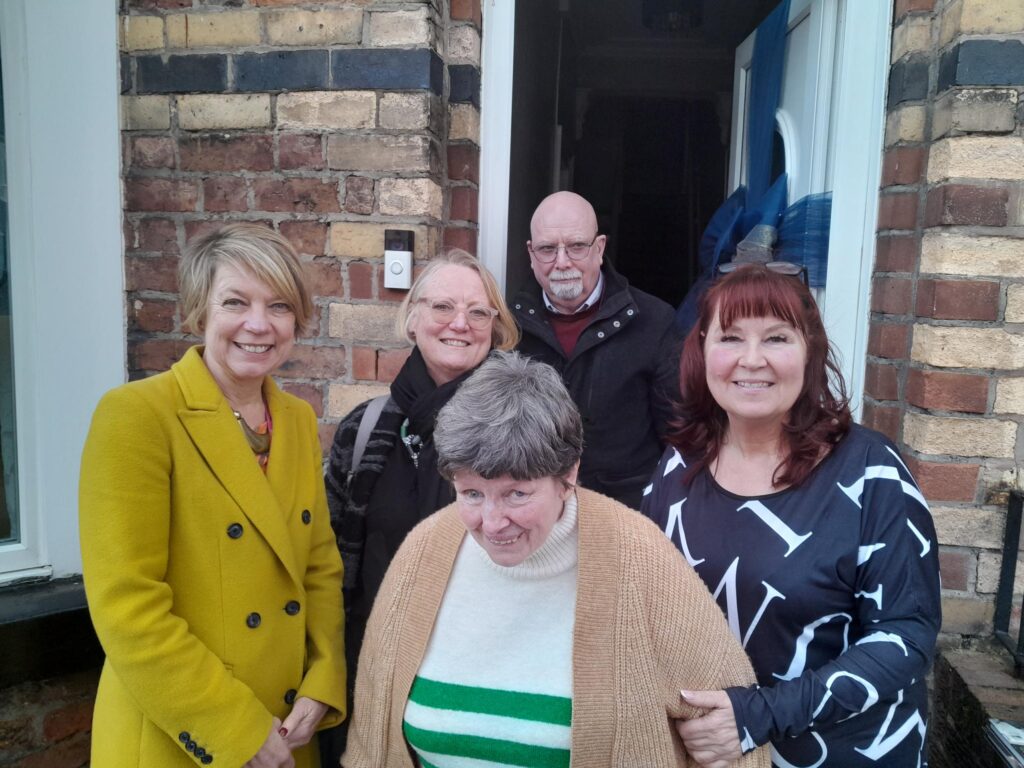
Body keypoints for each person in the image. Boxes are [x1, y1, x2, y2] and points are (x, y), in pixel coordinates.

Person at [342, 351, 770, 768]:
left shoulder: (640, 558)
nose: (491, 523)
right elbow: (370, 741)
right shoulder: (424, 551)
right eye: (472, 494)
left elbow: (731, 732)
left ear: (568, 476)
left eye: (516, 494)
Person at [641, 264, 941, 767]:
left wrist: (759, 714)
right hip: (708, 755)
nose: (751, 360)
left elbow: (905, 635)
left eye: (776, 337)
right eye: (731, 337)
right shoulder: (678, 467)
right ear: (702, 351)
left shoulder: (871, 473)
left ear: (810, 353)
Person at [79, 223, 346, 768]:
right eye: (235, 302)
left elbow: (318, 565)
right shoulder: (137, 415)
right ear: (199, 312)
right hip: (184, 735)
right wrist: (235, 728)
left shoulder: (296, 419)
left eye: (279, 306)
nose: (258, 324)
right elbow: (128, 608)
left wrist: (324, 680)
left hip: (287, 727)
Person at [322, 249, 519, 764]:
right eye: (442, 307)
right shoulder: (363, 431)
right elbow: (329, 564)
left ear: (495, 328)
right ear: (411, 318)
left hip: (482, 682)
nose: (461, 323)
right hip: (373, 672)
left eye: (479, 312)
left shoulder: (525, 428)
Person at [513, 190, 682, 509]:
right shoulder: (508, 326)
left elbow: (680, 438)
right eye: (548, 249)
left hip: (626, 513)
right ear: (531, 254)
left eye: (576, 246)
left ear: (599, 248)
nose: (562, 262)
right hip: (532, 514)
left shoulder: (655, 322)